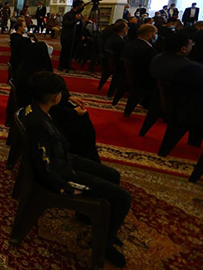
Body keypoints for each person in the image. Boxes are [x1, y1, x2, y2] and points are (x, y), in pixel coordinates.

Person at [20, 72, 131, 267]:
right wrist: (73, 187)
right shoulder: (40, 124)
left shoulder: (33, 109)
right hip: (61, 177)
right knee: (123, 197)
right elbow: (48, 170)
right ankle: (104, 245)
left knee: (113, 175)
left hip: (63, 161)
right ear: (56, 98)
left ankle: (91, 219)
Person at [150, 32, 203, 140]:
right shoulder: (190, 68)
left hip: (163, 101)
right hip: (186, 109)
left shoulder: (158, 58)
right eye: (191, 44)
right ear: (183, 49)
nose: (192, 47)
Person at [59, 0, 84, 71]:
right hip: (67, 36)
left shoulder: (80, 15)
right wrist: (75, 20)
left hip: (75, 37)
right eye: (81, 6)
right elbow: (66, 24)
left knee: (72, 52)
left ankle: (68, 65)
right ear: (77, 6)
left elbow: (80, 26)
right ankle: (61, 65)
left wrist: (81, 35)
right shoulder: (68, 15)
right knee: (65, 51)